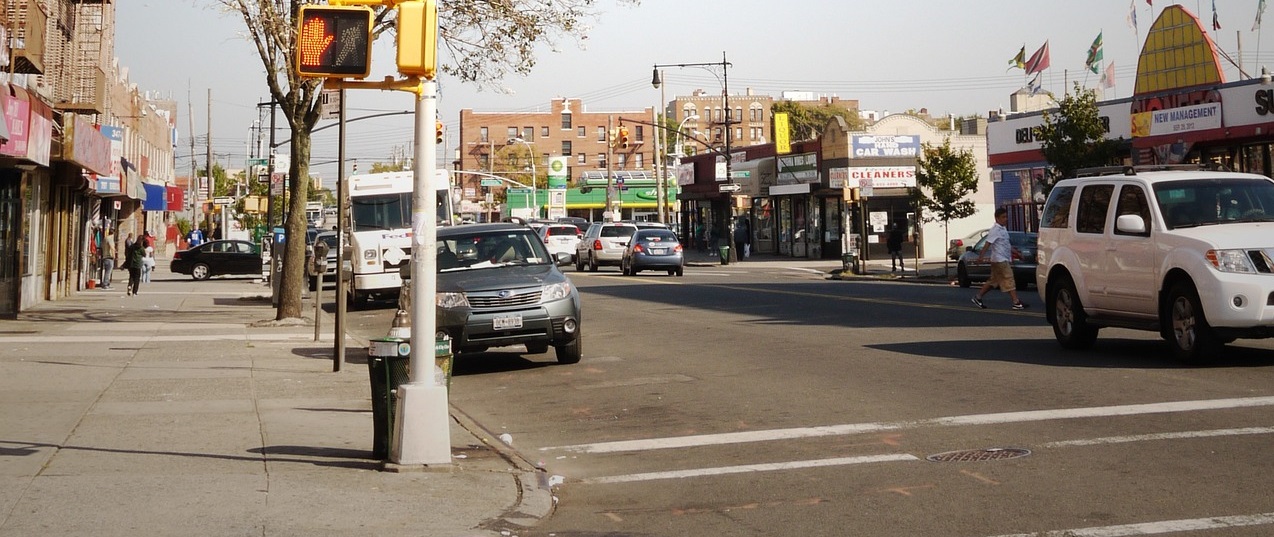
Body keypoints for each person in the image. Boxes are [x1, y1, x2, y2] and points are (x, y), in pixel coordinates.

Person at [971, 207, 1028, 310]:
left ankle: (978, 297)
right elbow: (987, 244)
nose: (1006, 219)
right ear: (997, 218)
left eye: (1006, 217)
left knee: (993, 281)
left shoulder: (1003, 229)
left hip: (1003, 259)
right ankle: (1016, 302)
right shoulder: (995, 230)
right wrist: (981, 257)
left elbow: (1006, 245)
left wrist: (1017, 254)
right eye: (1003, 217)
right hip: (999, 260)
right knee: (1009, 278)